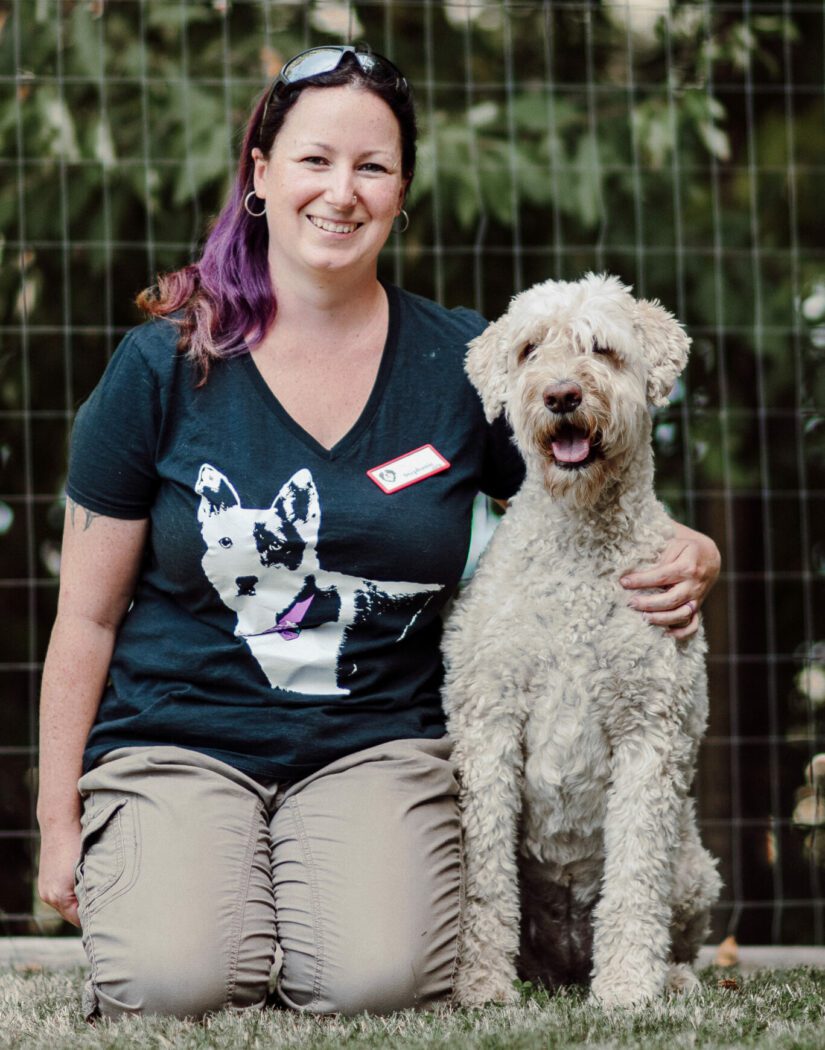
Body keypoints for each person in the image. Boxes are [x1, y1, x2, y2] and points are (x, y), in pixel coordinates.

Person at [36, 45, 720, 1020]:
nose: (341, 192)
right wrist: (58, 820)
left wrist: (697, 550)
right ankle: (203, 888)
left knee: (380, 980)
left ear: (403, 194)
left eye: (373, 167)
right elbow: (87, 621)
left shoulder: (459, 363)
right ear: (262, 176)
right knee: (174, 979)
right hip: (181, 739)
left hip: (372, 745)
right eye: (315, 160)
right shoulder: (160, 368)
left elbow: (584, 479)